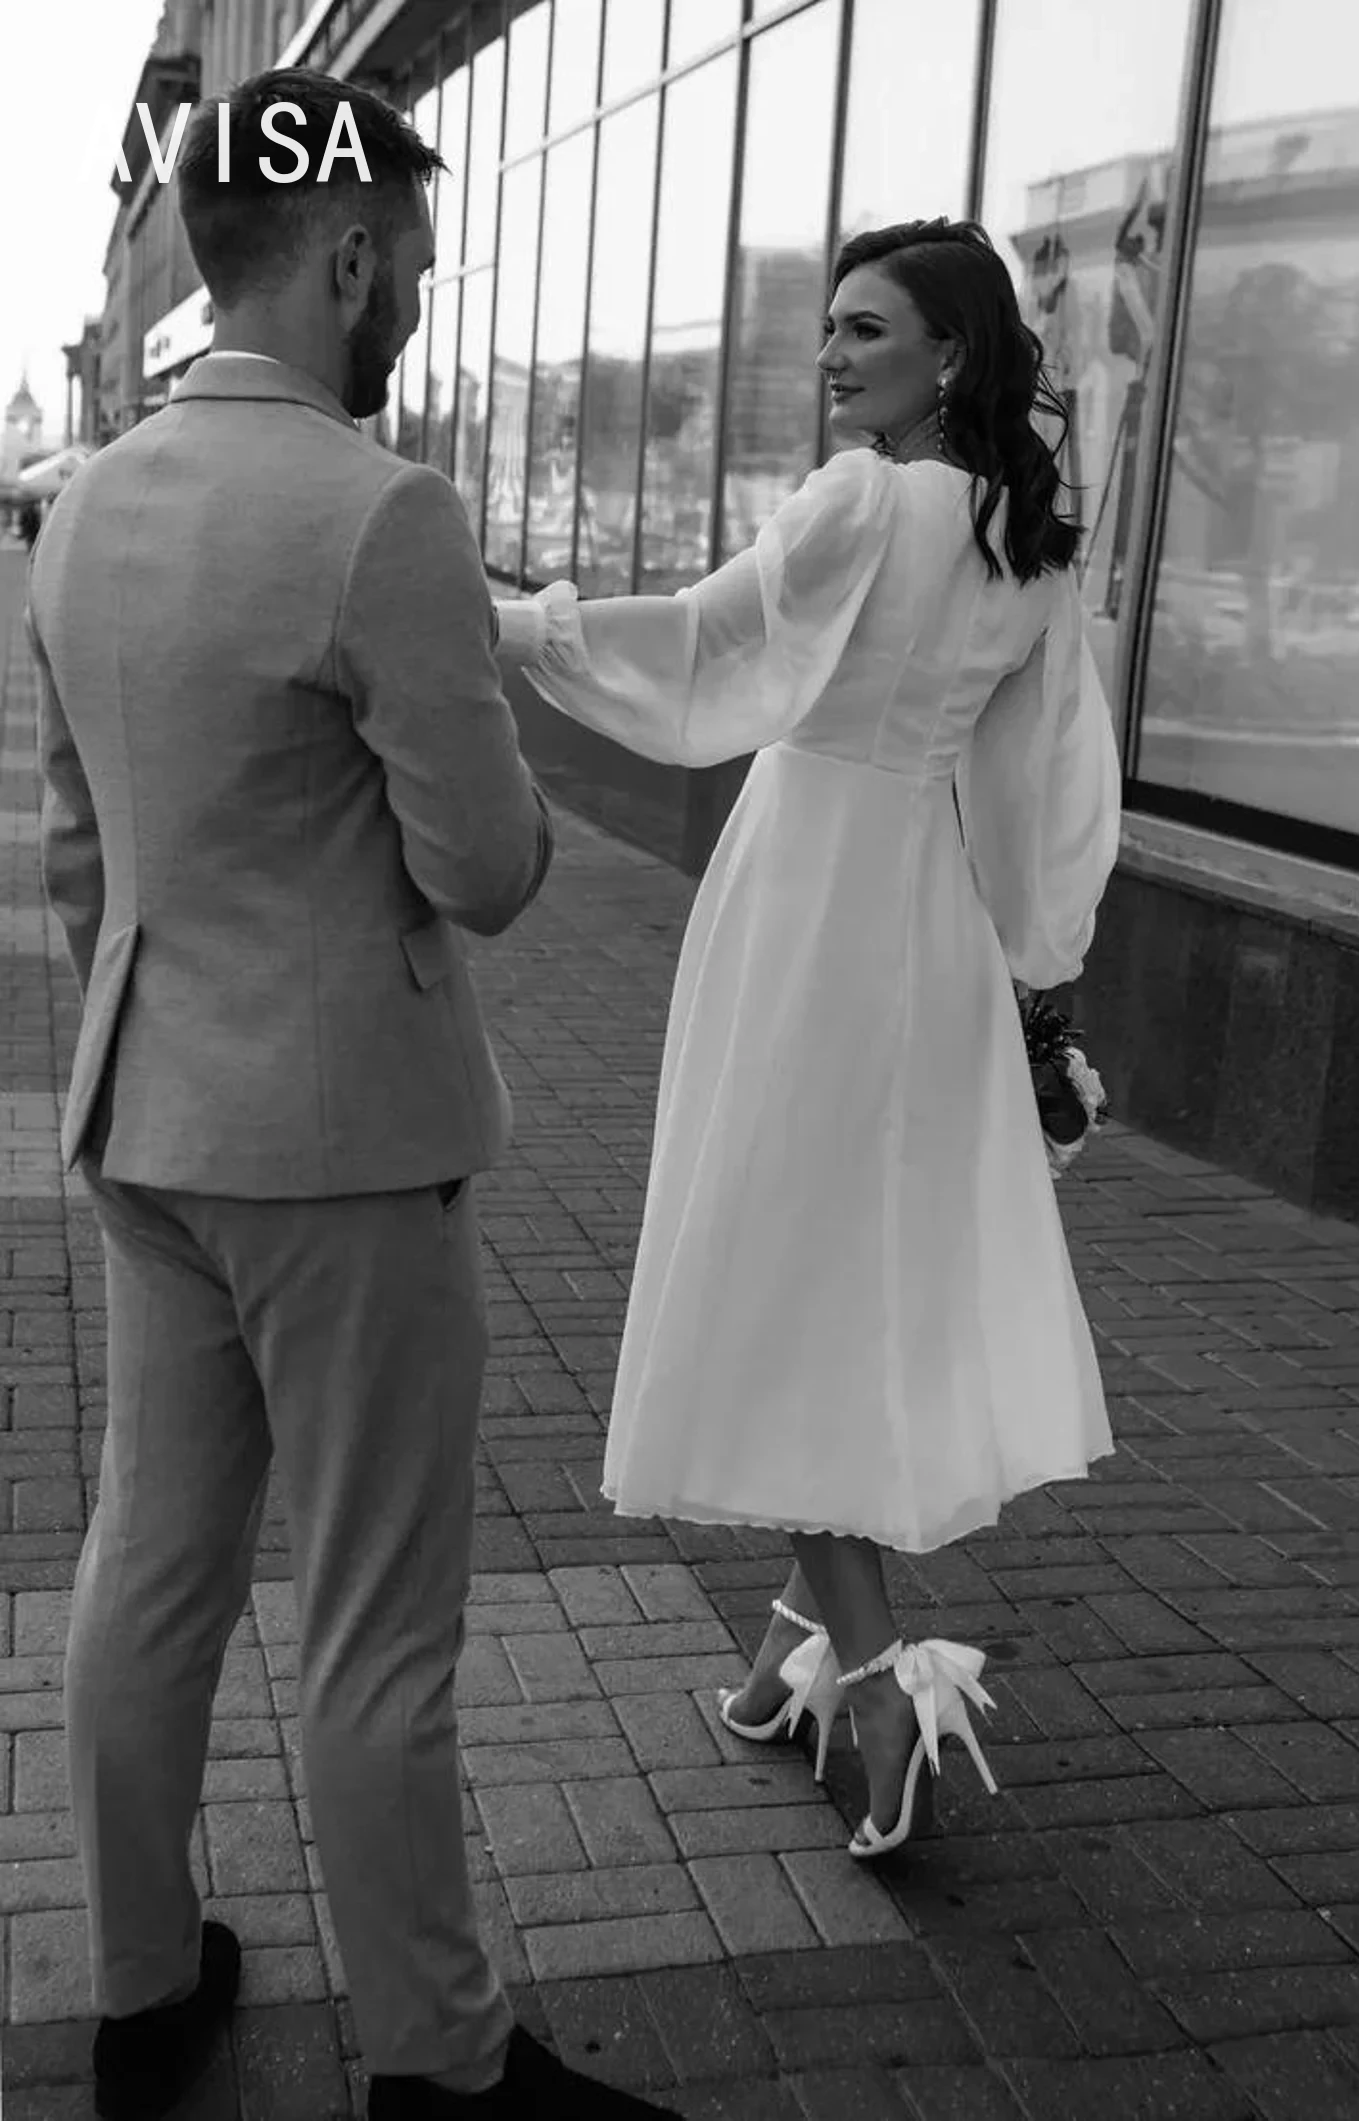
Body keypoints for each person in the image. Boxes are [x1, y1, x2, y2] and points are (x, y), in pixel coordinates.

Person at [27, 68, 672, 2121]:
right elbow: (484, 869)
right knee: (381, 1626)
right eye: (408, 252)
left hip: (145, 1119)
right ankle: (437, 2061)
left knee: (151, 1569)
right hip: (344, 1151)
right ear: (352, 252)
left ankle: (140, 1989)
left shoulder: (92, 500)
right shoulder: (377, 513)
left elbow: (75, 856)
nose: (413, 289)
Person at [497, 218, 1120, 1861]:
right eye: (832, 327)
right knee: (844, 1267)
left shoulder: (867, 501)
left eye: (866, 329)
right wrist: (1037, 971)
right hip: (924, 916)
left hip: (807, 902)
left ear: (953, 356)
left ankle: (879, 1675)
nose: (833, 353)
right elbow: (1049, 785)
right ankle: (783, 1677)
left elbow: (713, 650)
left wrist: (524, 630)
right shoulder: (1031, 539)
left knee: (778, 1271)